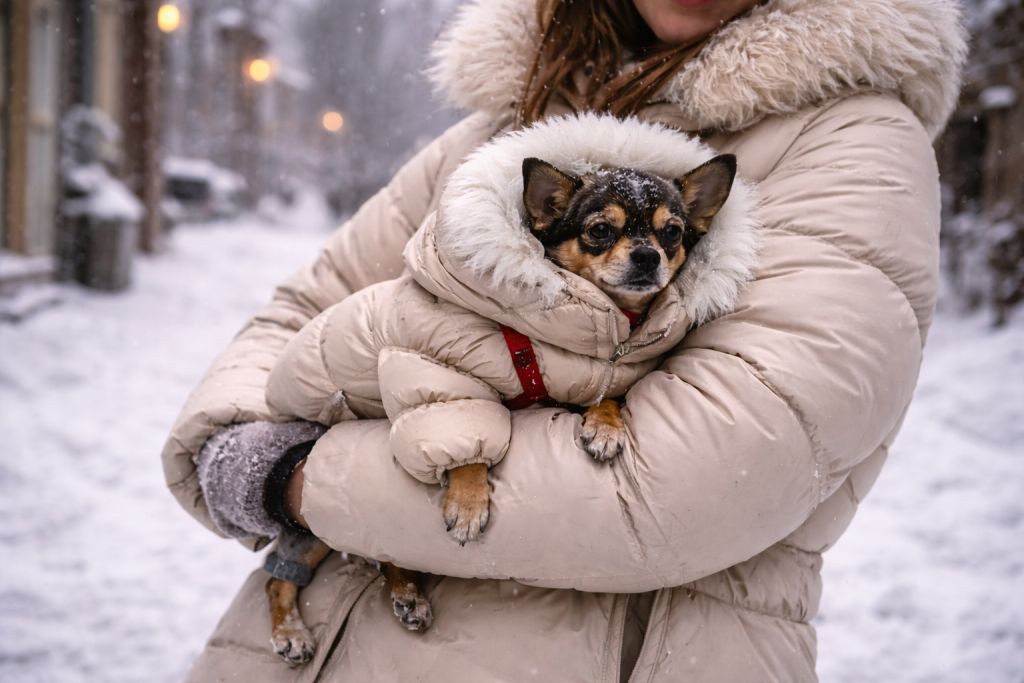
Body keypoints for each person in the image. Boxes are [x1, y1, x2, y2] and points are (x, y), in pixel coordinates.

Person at [164, 0, 966, 680]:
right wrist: (238, 437)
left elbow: (681, 492)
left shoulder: (852, 142)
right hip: (330, 642)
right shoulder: (525, 113)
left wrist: (304, 481)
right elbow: (312, 303)